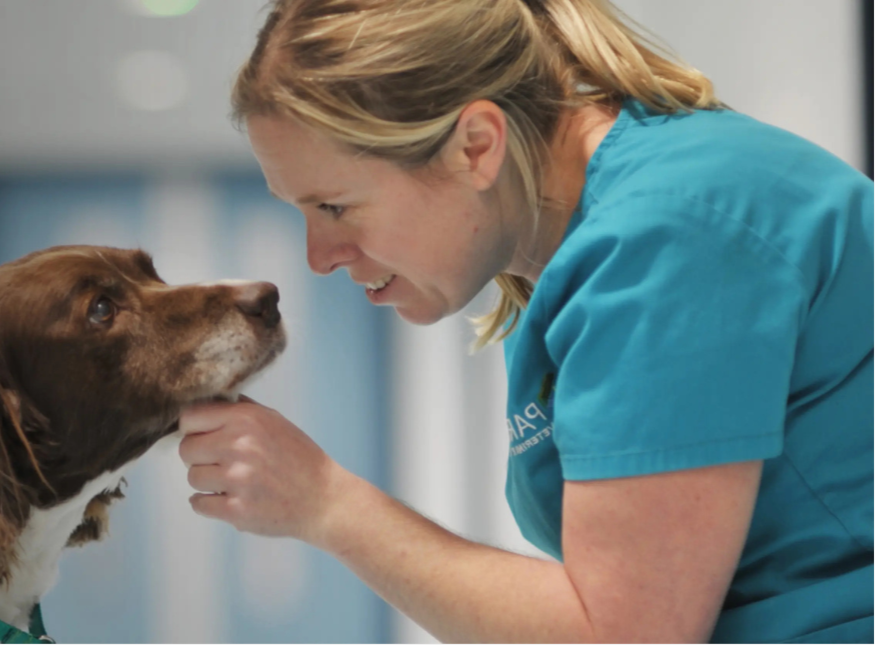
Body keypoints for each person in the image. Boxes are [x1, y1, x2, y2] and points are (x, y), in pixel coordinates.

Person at [177, 0, 875, 642]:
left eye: (333, 206)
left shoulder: (666, 236)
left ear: (475, 146)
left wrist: (327, 503)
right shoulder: (586, 252)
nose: (318, 257)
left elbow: (624, 632)